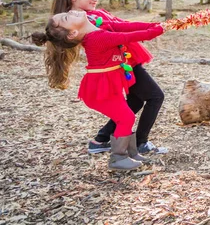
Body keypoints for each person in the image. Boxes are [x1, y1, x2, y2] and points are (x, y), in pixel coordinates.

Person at [51, 0, 167, 155]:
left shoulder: (94, 14)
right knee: (155, 96)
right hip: (118, 63)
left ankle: (101, 139)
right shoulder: (79, 21)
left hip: (125, 61)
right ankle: (140, 143)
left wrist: (152, 26)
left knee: (136, 101)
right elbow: (118, 33)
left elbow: (122, 24)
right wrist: (153, 30)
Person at [32, 10, 165, 171]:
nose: (71, 11)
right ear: (73, 32)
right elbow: (128, 36)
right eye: (67, 17)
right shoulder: (97, 38)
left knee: (126, 116)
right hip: (99, 90)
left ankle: (131, 152)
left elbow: (124, 27)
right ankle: (118, 158)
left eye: (66, 13)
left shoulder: (96, 26)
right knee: (126, 117)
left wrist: (154, 25)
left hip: (109, 85)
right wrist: (158, 30)